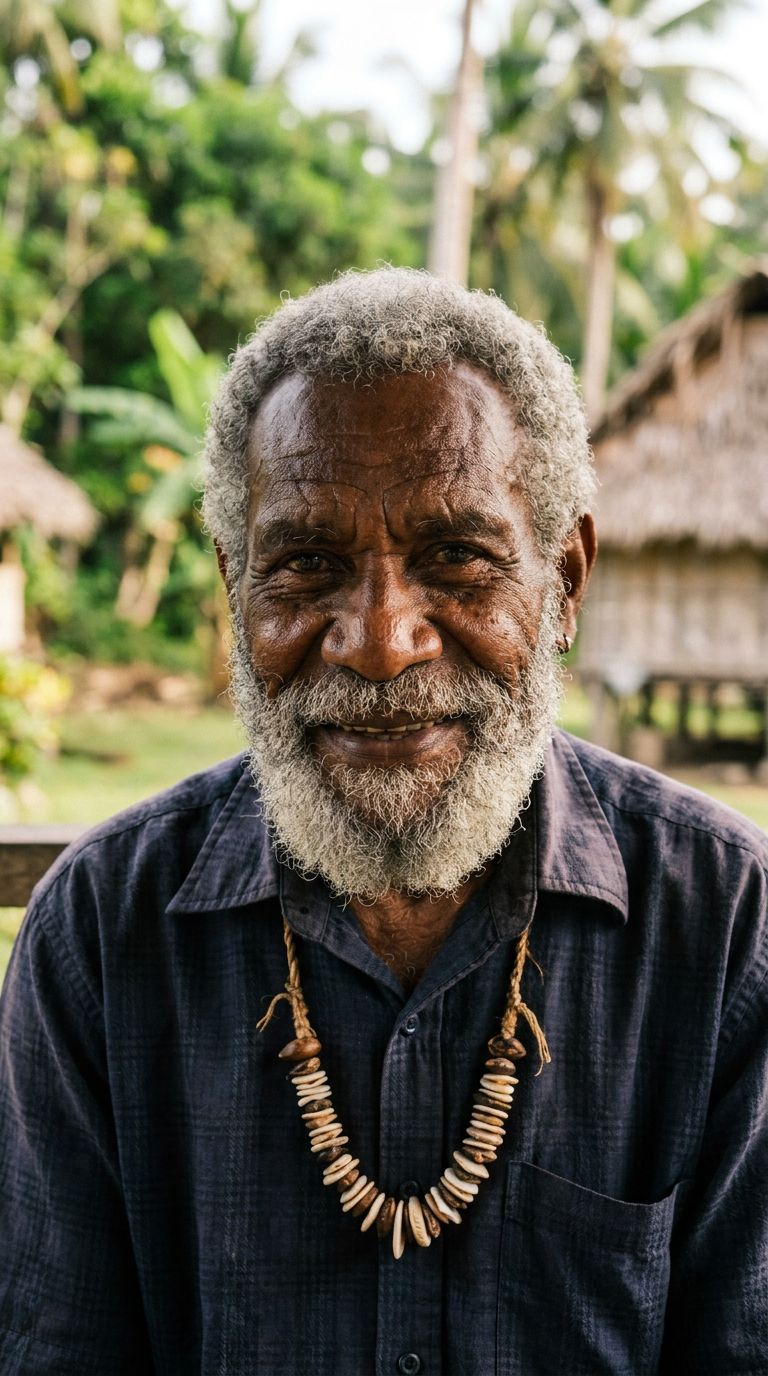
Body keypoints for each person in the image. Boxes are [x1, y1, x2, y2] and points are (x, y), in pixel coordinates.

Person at [0, 268, 765, 1376]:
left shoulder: (731, 926)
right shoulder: (98, 937)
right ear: (234, 589)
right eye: (306, 563)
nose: (379, 641)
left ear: (565, 578)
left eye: (456, 556)